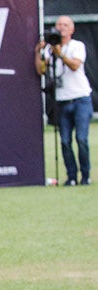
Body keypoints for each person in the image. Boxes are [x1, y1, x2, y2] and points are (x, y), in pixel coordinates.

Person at [36, 16, 92, 186]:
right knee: (65, 141)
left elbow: (75, 66)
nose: (61, 27)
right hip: (61, 100)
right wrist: (39, 52)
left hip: (80, 98)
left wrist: (60, 54)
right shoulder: (49, 50)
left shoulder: (77, 46)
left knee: (81, 139)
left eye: (65, 25)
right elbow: (41, 70)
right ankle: (72, 177)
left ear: (72, 29)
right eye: (59, 25)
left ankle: (86, 175)